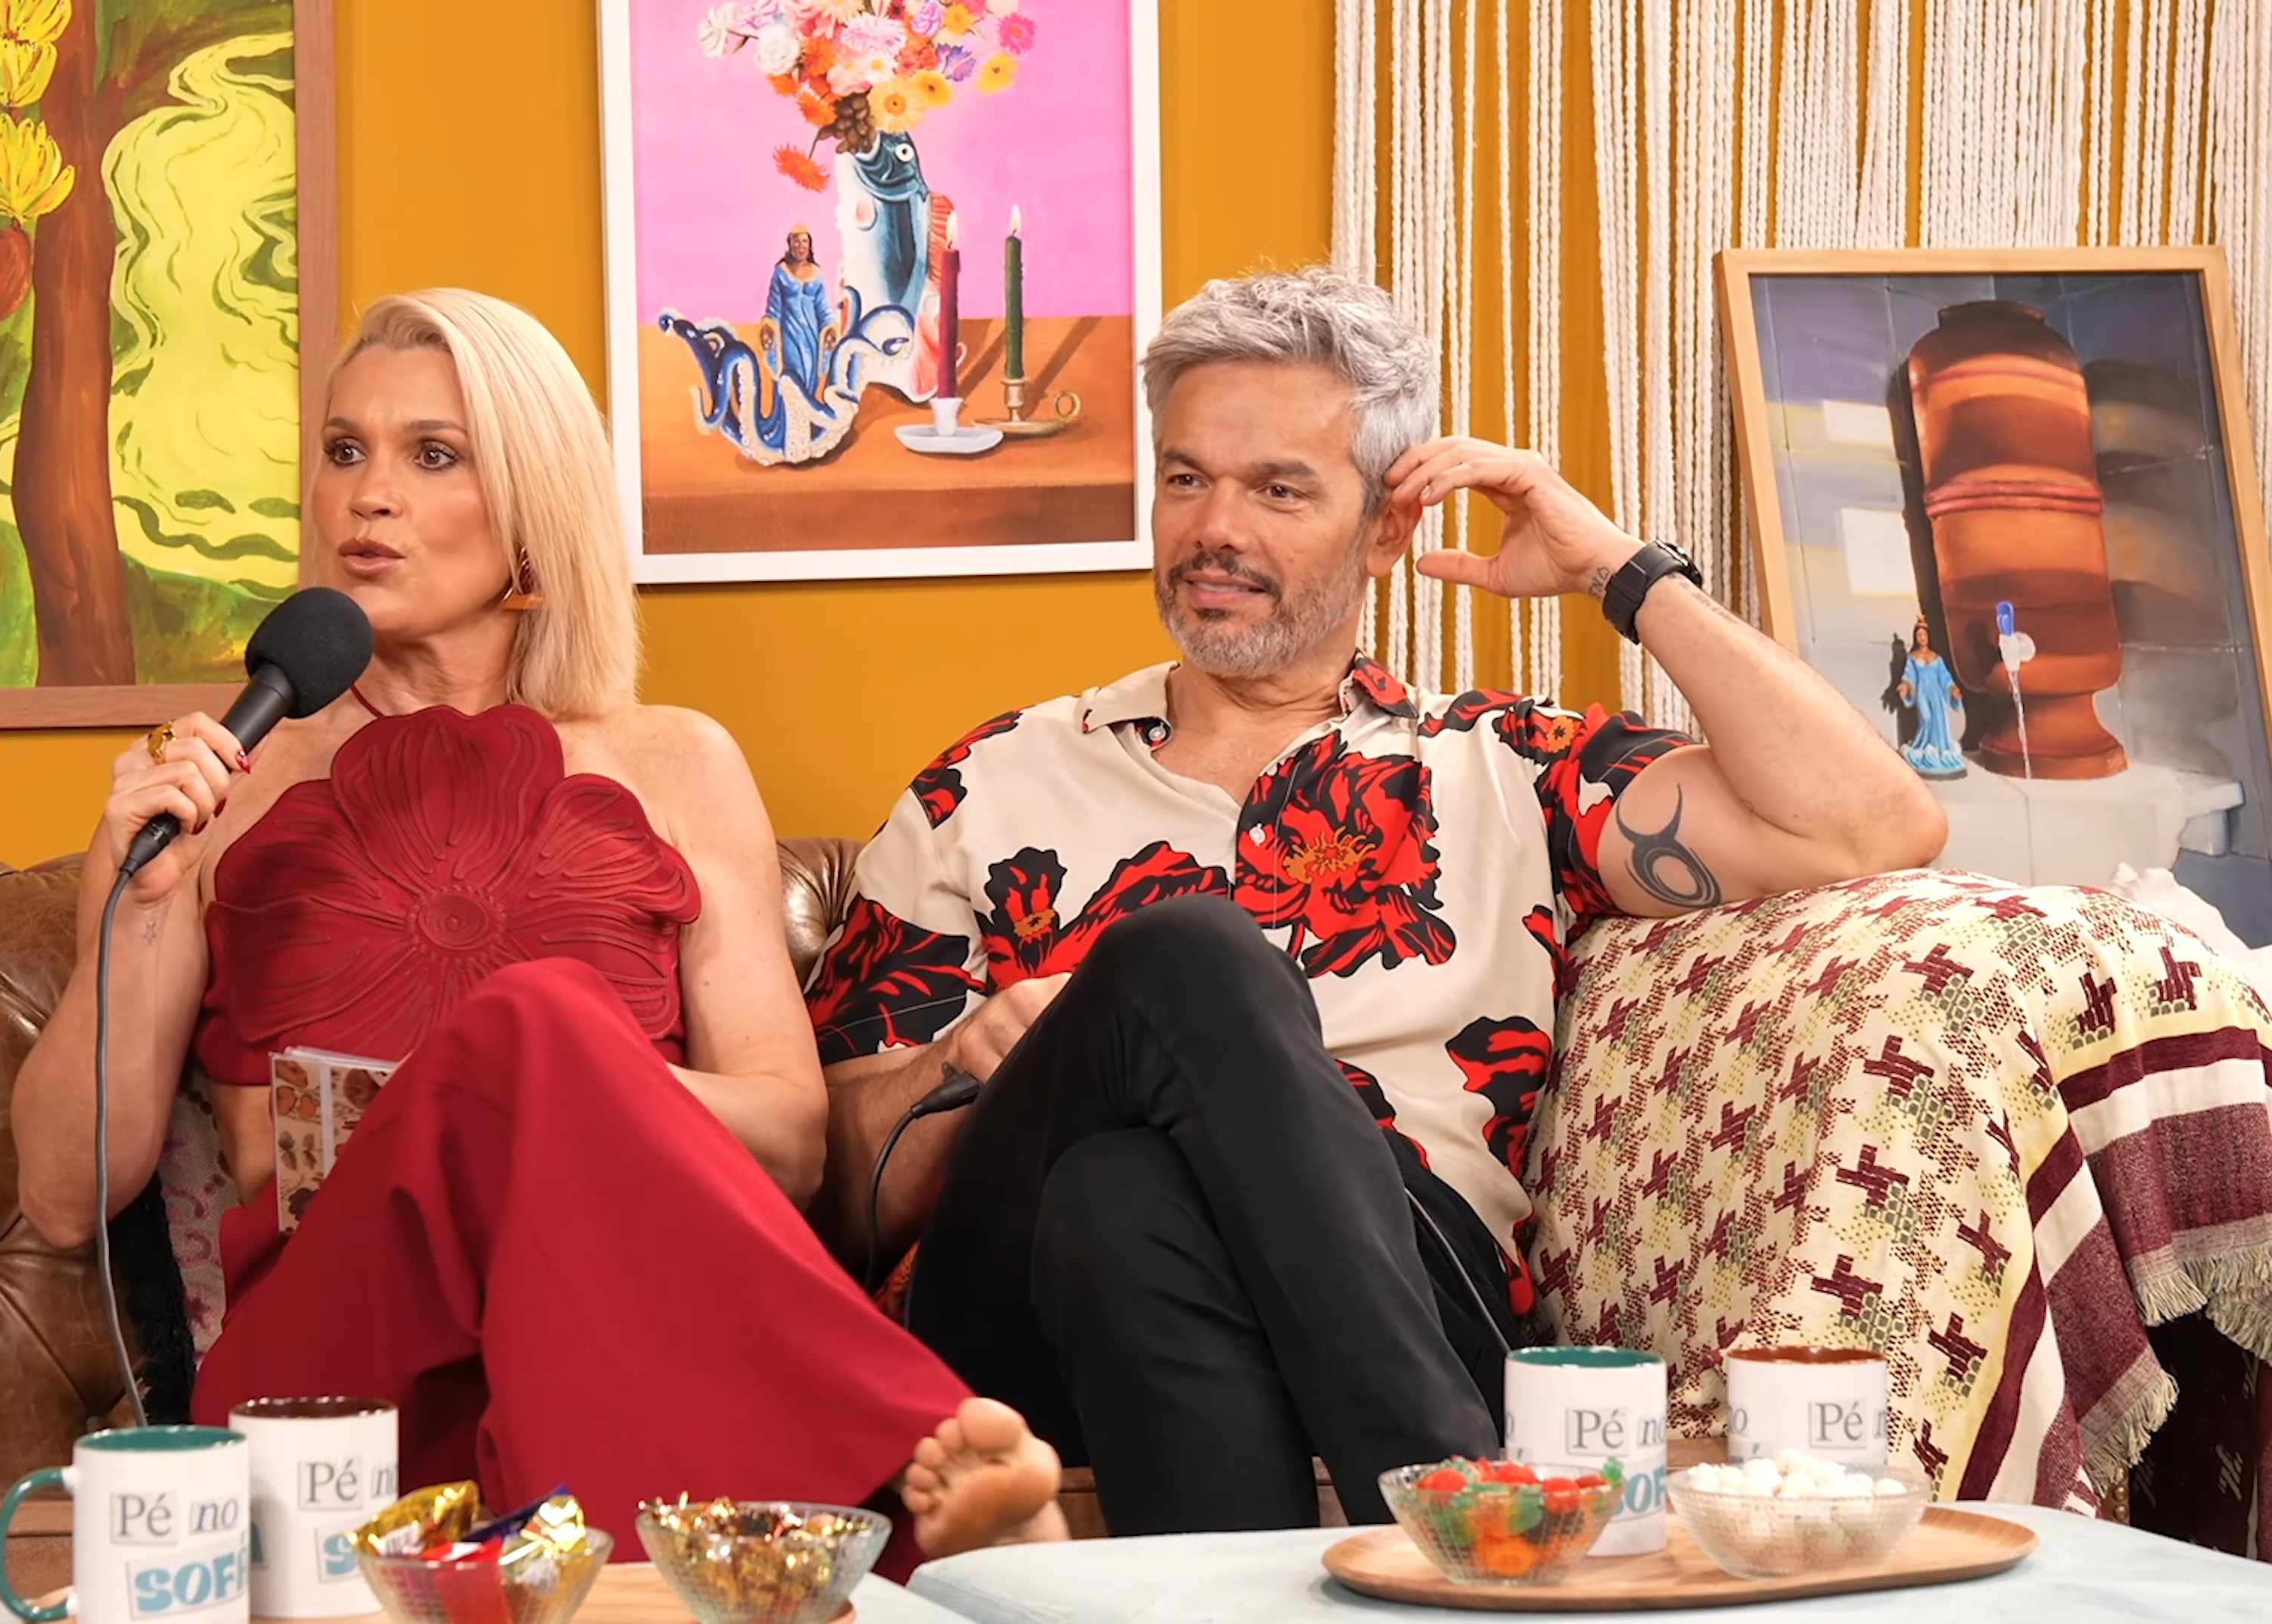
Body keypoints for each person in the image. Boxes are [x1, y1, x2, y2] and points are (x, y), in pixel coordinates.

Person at [807, 268, 1947, 1536]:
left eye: (1279, 490)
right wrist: (958, 1066)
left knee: (1122, 1199)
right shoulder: (987, 785)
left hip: (1409, 1272)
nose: (1214, 529)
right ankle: (1463, 1504)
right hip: (1019, 1326)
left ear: (1387, 530)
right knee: (1182, 961)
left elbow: (1873, 823)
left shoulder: (1507, 766)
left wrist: (1619, 570)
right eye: (1186, 478)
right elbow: (841, 1205)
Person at [9, 288, 1063, 1564]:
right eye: (344, 450)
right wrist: (133, 899)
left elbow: (791, 1141)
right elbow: (63, 1196)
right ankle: (906, 1466)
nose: (368, 497)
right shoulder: (212, 782)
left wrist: (542, 1100)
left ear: (531, 512)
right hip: (335, 1385)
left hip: (609, 1326)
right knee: (532, 1018)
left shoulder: (676, 763)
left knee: (533, 1038)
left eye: (431, 455)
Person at [759, 226, 837, 401]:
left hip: (812, 337)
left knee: (811, 376)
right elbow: (774, 308)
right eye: (796, 242)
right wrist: (769, 328)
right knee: (792, 376)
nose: (800, 246)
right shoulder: (781, 272)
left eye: (804, 242)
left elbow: (823, 309)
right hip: (789, 335)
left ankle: (807, 414)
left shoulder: (817, 274)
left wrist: (830, 328)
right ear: (790, 245)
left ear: (810, 245)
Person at [1891, 615, 1968, 778]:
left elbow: (1945, 677)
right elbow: (1909, 675)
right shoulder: (1912, 658)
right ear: (1915, 638)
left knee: (1939, 719)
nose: (1922, 638)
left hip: (1937, 694)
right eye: (1919, 635)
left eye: (1924, 635)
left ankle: (1939, 750)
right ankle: (1923, 747)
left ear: (1928, 637)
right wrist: (1905, 686)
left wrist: (1953, 690)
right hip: (1922, 693)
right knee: (1926, 718)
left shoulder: (1936, 658)